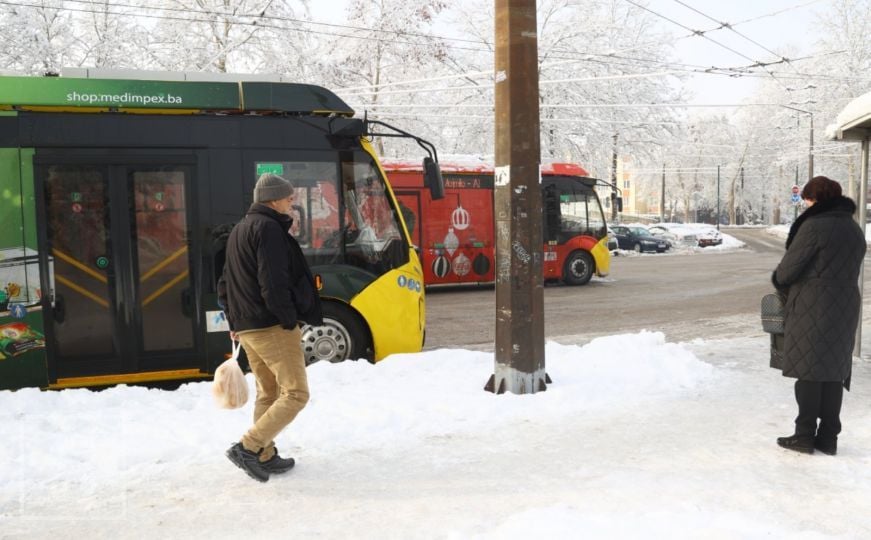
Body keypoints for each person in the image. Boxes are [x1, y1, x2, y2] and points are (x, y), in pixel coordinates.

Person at [218, 173, 323, 482]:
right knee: (296, 393)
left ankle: (264, 454)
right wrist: (287, 318)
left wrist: (235, 322)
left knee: (269, 392)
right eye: (289, 198)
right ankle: (248, 448)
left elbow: (224, 283)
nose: (292, 202)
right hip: (271, 325)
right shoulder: (268, 229)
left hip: (249, 326)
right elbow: (273, 281)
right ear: (275, 199)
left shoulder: (240, 229)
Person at [771, 176, 866, 456]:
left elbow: (788, 270)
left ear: (816, 199)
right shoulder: (853, 228)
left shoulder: (814, 226)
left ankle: (803, 436)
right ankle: (828, 438)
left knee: (809, 371)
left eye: (808, 199)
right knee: (833, 373)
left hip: (814, 303)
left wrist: (779, 280)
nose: (805, 204)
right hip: (846, 304)